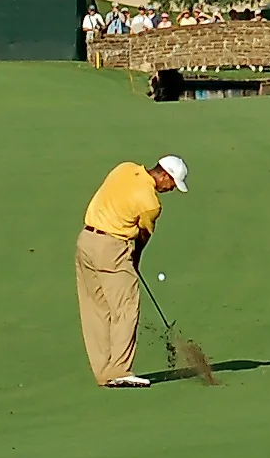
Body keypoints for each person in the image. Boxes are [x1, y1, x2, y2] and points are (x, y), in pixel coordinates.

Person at [74, 155, 189, 388]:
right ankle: (120, 371)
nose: (171, 190)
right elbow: (143, 235)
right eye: (172, 185)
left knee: (96, 308)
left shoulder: (125, 168)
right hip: (112, 249)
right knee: (125, 307)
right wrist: (135, 258)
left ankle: (104, 372)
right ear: (165, 176)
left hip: (86, 242)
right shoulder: (151, 203)